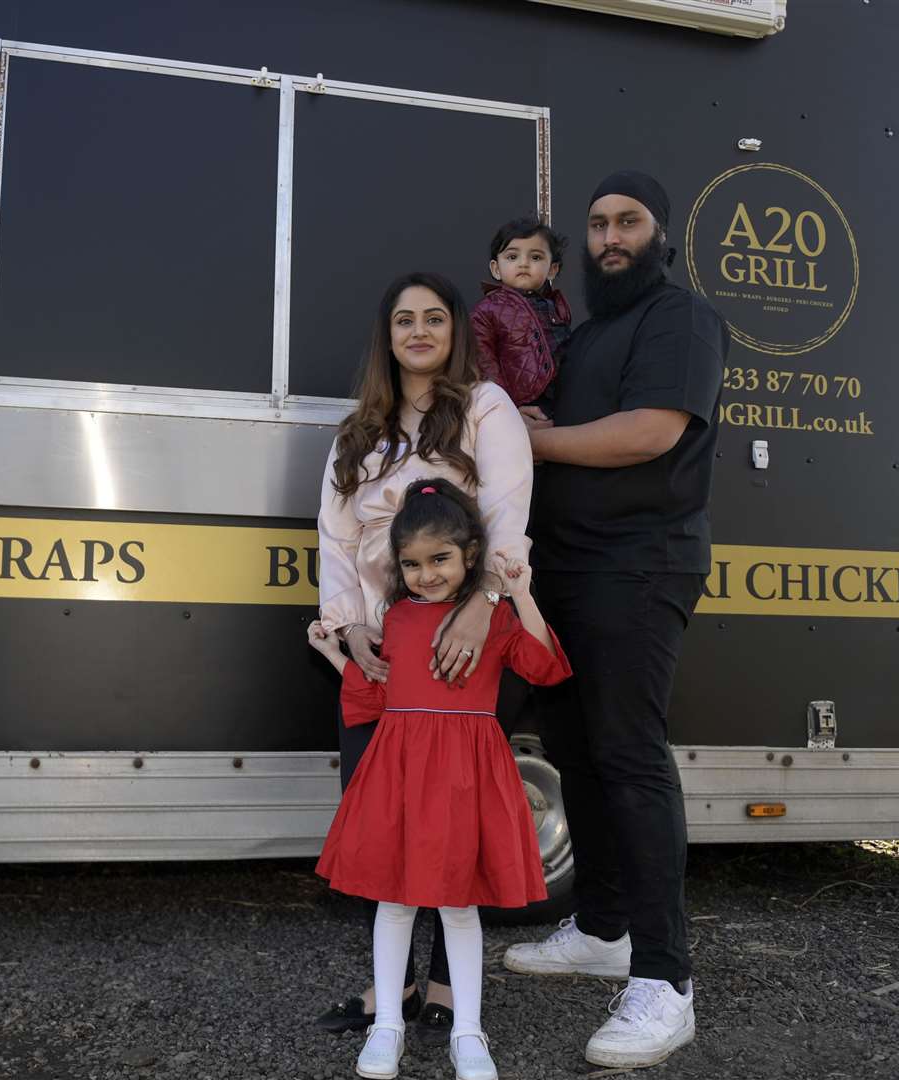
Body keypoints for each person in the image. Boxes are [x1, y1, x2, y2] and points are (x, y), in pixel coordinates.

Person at [503, 170, 726, 1070]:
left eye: (627, 222)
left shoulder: (680, 320)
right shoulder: (586, 332)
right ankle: (602, 930)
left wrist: (537, 439)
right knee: (580, 753)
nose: (608, 238)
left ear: (660, 233)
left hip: (640, 562)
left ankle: (666, 982)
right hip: (563, 570)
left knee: (630, 755)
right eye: (595, 225)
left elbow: (651, 432)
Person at [314, 271, 534, 1049]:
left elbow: (507, 519)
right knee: (388, 824)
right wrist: (348, 632)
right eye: (403, 320)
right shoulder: (359, 431)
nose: (418, 331)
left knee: (454, 820)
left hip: (465, 647)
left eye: (434, 318)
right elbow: (336, 542)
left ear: (455, 331)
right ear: (388, 336)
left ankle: (446, 990)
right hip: (379, 652)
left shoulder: (485, 408)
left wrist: (482, 608)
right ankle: (397, 989)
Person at [309, 478, 572, 1080]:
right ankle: (387, 1028)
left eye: (440, 560)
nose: (426, 574)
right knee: (394, 901)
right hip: (399, 773)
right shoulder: (396, 617)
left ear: (471, 555)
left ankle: (469, 1032)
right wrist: (332, 654)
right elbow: (378, 691)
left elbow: (546, 665)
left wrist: (520, 594)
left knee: (459, 906)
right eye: (412, 564)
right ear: (398, 567)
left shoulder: (494, 619)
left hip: (464, 775)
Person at [470, 215, 573, 410]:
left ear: (552, 270)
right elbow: (483, 362)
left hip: (563, 399)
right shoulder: (488, 309)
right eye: (512, 257)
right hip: (519, 401)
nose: (523, 263)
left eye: (535, 257)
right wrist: (505, 406)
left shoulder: (555, 305)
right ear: (496, 269)